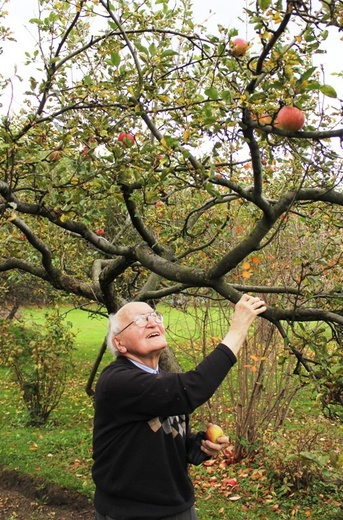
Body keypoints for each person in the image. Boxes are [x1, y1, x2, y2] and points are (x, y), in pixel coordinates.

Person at [92, 294, 266, 520]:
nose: (153, 322)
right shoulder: (117, 381)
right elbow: (191, 390)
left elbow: (168, 439)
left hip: (178, 508)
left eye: (155, 316)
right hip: (130, 512)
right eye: (139, 320)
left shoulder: (163, 381)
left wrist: (199, 445)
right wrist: (237, 330)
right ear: (119, 343)